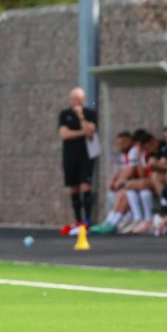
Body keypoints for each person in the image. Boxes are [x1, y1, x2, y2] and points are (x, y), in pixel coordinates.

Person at [58, 87, 98, 235]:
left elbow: (90, 131)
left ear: (84, 100)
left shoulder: (90, 114)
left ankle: (87, 219)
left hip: (86, 156)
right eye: (73, 99)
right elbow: (64, 134)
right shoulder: (65, 114)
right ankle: (78, 219)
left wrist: (81, 117)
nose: (75, 102)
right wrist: (82, 133)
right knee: (74, 188)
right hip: (70, 156)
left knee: (85, 186)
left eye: (78, 99)